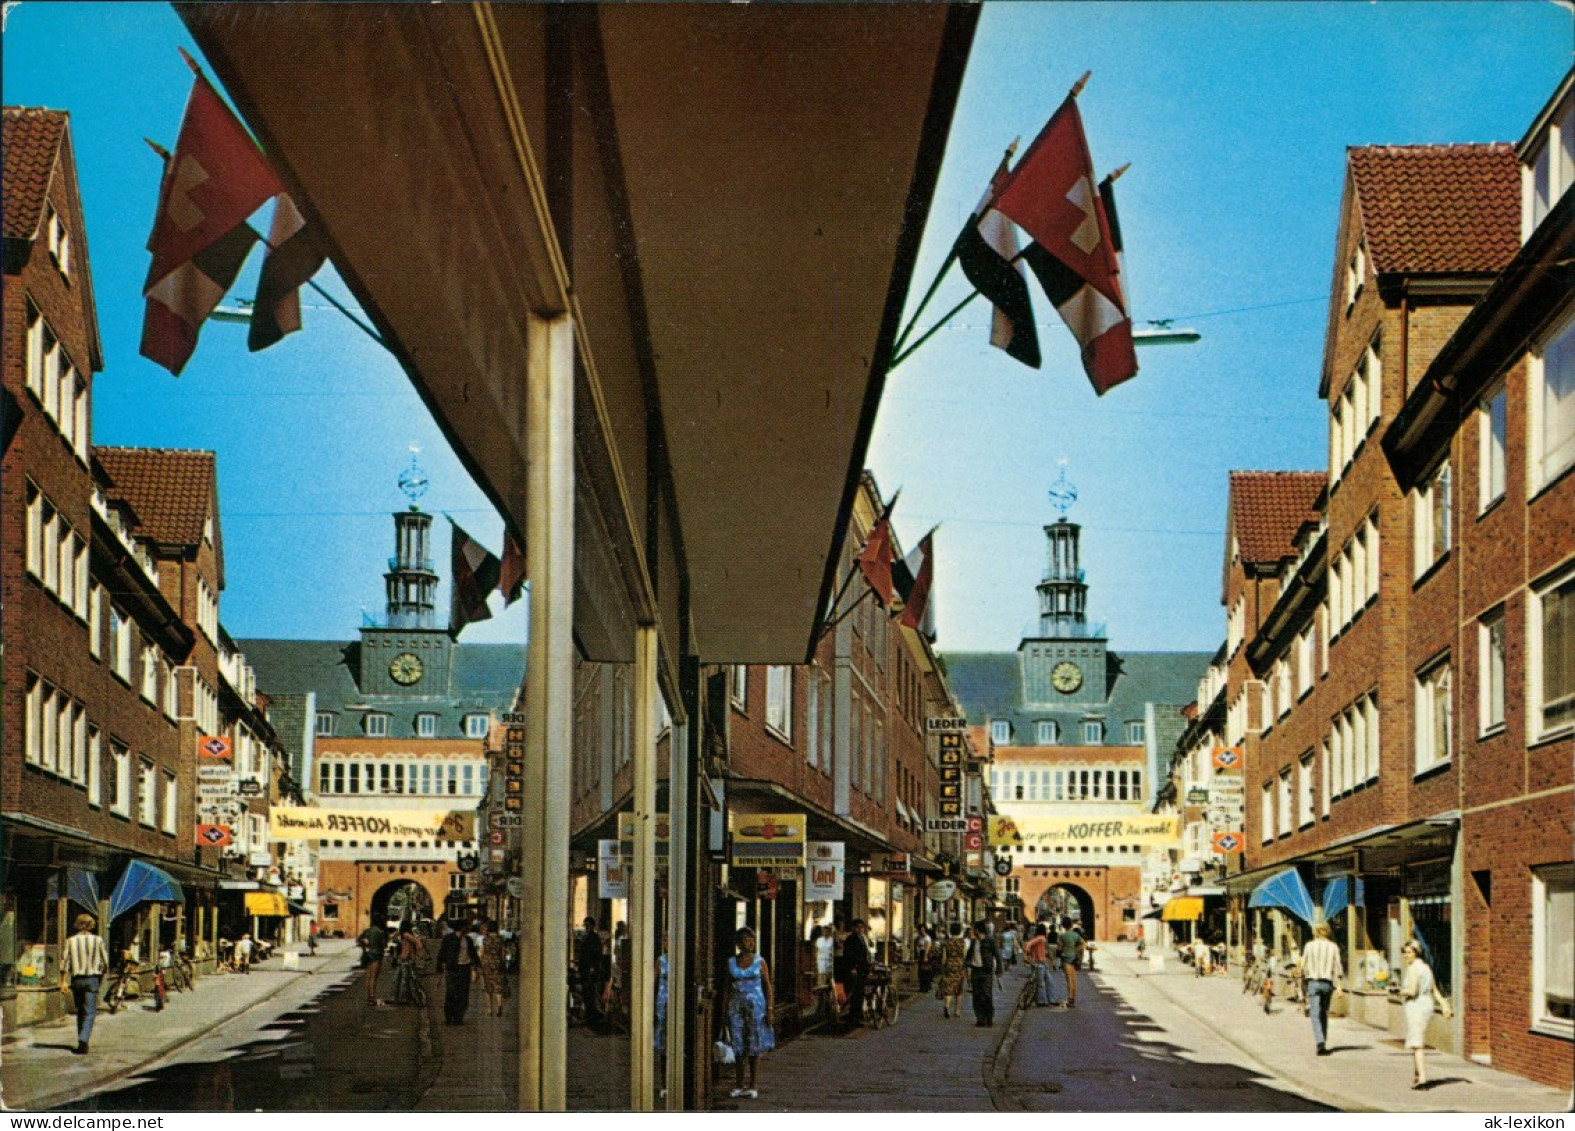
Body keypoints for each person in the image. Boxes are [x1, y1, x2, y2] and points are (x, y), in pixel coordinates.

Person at [726, 928, 774, 1100]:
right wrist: (725, 1011)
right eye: (747, 940)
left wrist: (770, 1010)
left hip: (756, 1008)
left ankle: (753, 1084)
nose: (751, 943)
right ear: (738, 943)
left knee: (754, 1044)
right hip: (736, 1007)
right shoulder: (731, 962)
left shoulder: (760, 962)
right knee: (738, 1044)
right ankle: (739, 1084)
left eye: (752, 940)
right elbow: (726, 988)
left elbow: (768, 987)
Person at [60, 914, 109, 1055]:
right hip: (92, 978)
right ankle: (83, 1039)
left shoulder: (71, 941)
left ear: (77, 924)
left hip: (77, 980)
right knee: (90, 1011)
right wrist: (102, 973)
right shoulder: (97, 940)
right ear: (91, 925)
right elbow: (105, 961)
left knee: (81, 1010)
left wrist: (63, 981)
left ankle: (83, 1041)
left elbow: (64, 962)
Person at [1400, 939, 1441, 1088]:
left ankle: (1422, 1078)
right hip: (1427, 1004)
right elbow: (1434, 989)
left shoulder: (1413, 969)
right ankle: (1417, 1074)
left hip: (1416, 1005)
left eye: (1409, 952)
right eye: (1404, 952)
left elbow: (1412, 991)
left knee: (1417, 1043)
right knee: (1415, 1040)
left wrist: (1398, 991)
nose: (1406, 955)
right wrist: (1444, 1005)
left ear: (1416, 953)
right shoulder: (1426, 968)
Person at [1300, 923, 1344, 1056]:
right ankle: (1323, 1041)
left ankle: (1320, 1043)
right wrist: (1339, 986)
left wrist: (1300, 974)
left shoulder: (1309, 946)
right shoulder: (1333, 946)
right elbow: (1338, 967)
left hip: (1313, 982)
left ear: (1315, 932)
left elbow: (1303, 964)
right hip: (1327, 984)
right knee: (1323, 1013)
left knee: (1314, 1013)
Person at [438, 919, 477, 1025]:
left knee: (463, 995)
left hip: (465, 968)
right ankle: (449, 1017)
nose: (468, 929)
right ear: (461, 928)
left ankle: (458, 1018)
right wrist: (440, 966)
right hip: (452, 968)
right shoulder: (449, 938)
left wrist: (477, 966)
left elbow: (473, 953)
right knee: (451, 993)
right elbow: (442, 952)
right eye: (466, 927)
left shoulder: (468, 940)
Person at [965, 920, 997, 1026]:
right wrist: (965, 965)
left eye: (973, 929)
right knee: (977, 996)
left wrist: (999, 970)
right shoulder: (974, 942)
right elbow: (969, 954)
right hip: (975, 970)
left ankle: (989, 1017)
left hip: (986, 971)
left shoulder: (990, 940)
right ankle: (980, 1018)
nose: (972, 931)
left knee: (987, 995)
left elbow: (997, 954)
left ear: (978, 930)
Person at [576, 916, 607, 1026]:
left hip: (590, 970)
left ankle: (591, 1015)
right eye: (585, 925)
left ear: (592, 926)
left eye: (587, 925)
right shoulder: (586, 937)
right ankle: (590, 1014)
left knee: (589, 993)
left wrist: (593, 968)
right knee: (586, 993)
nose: (586, 927)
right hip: (585, 969)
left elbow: (596, 955)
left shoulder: (594, 938)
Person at [476, 920, 509, 1017]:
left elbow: (482, 952)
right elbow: (503, 953)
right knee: (498, 985)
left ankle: (490, 1010)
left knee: (488, 986)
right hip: (497, 963)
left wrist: (480, 963)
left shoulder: (485, 939)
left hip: (486, 963)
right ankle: (499, 1006)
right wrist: (503, 962)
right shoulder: (500, 939)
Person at [935, 922, 968, 1019]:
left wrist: (943, 966)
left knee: (948, 988)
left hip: (949, 965)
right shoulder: (963, 942)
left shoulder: (947, 942)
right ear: (960, 931)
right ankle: (957, 1011)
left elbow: (944, 956)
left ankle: (947, 1006)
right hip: (959, 965)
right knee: (959, 988)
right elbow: (965, 954)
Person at [843, 919, 872, 1027]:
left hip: (862, 969)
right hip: (855, 970)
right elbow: (848, 955)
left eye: (862, 927)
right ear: (854, 928)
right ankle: (853, 1018)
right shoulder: (851, 939)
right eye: (859, 927)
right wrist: (852, 968)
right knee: (855, 994)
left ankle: (857, 1016)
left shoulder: (862, 938)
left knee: (859, 993)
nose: (861, 929)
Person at [358, 917, 387, 1006]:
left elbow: (359, 939)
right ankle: (372, 997)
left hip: (369, 954)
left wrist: (365, 947)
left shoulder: (367, 931)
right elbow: (384, 944)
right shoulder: (380, 932)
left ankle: (368, 996)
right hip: (377, 955)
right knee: (374, 977)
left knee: (369, 976)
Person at [1057, 917, 1085, 1008]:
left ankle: (1070, 999)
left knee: (1068, 980)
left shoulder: (1062, 936)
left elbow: (1060, 948)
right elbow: (1082, 944)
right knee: (1074, 979)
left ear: (1063, 925)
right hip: (1074, 958)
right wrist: (1076, 950)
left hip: (1066, 958)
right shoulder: (1076, 935)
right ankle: (1073, 998)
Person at [1023, 923, 1050, 1007]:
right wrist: (1026, 952)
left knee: (1046, 981)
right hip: (1040, 962)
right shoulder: (1041, 938)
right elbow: (1028, 944)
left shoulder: (1038, 938)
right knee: (1041, 982)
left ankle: (1046, 999)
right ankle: (1041, 1001)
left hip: (1037, 962)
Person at [914, 926, 934, 994]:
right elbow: (918, 945)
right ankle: (922, 986)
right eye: (920, 930)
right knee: (921, 972)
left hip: (925, 955)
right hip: (921, 954)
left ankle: (926, 987)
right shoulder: (920, 938)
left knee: (925, 971)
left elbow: (927, 947)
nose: (921, 931)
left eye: (923, 930)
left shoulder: (927, 938)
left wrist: (925, 956)